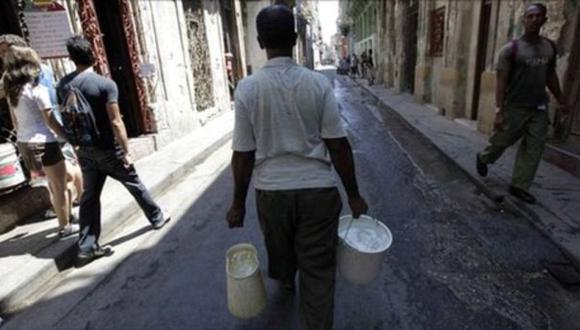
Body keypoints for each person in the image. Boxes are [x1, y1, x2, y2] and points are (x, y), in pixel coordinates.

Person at [226, 5, 368, 329]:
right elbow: (338, 145)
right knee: (318, 272)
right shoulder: (318, 85)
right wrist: (355, 196)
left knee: (281, 252)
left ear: (260, 42)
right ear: (294, 38)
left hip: (271, 193)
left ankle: (287, 276)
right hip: (318, 191)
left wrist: (237, 204)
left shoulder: (247, 88)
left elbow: (243, 154)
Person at [57, 36, 170, 267]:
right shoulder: (104, 84)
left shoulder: (63, 85)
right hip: (108, 149)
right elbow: (116, 122)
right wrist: (126, 151)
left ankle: (86, 249)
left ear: (71, 58)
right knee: (134, 183)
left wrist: (72, 141)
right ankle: (157, 218)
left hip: (85, 151)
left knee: (89, 198)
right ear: (93, 54)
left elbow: (62, 117)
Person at [476, 3, 568, 204]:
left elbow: (550, 76)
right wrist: (499, 110)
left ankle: (519, 185)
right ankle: (484, 157)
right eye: (530, 16)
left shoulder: (549, 47)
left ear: (544, 19)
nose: (534, 19)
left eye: (538, 16)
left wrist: (561, 100)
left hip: (539, 108)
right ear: (524, 19)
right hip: (514, 106)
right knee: (501, 141)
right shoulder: (511, 50)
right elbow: (501, 81)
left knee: (534, 147)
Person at [1, 45, 78, 238]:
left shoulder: (13, 92)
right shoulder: (37, 89)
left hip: (26, 143)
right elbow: (50, 121)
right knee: (60, 184)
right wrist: (68, 137)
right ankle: (65, 226)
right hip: (44, 142)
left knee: (56, 181)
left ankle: (67, 214)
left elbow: (15, 122)